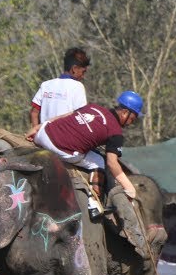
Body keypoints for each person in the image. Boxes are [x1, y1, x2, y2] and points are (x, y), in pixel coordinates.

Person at [26, 90, 149, 257]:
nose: (132, 122)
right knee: (99, 161)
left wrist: (38, 127)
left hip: (43, 134)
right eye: (133, 118)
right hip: (60, 149)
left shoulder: (94, 107)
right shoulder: (116, 133)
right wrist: (129, 187)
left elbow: (66, 115)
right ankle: (94, 204)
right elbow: (112, 163)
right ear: (125, 112)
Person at [30, 47, 91, 128]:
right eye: (83, 72)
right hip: (66, 135)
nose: (83, 76)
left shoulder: (46, 85)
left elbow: (34, 113)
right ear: (74, 69)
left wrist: (35, 131)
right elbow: (81, 116)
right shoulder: (78, 86)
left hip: (43, 134)